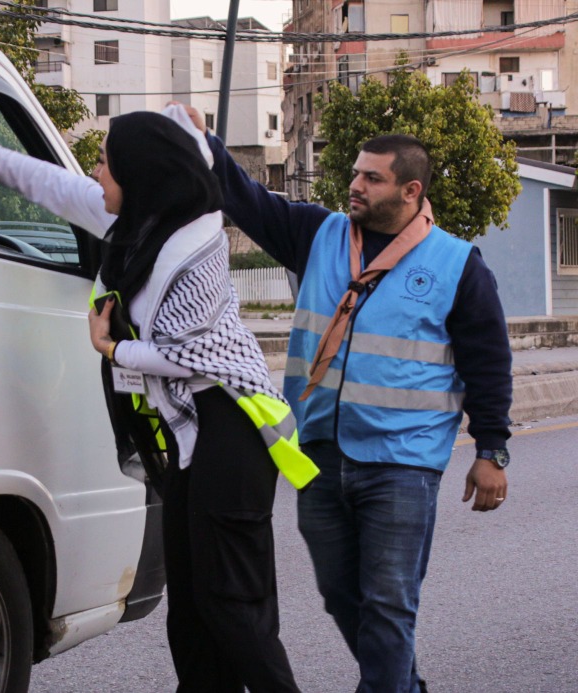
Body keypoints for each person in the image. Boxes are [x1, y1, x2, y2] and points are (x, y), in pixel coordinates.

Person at [0, 107, 318, 693]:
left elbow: (186, 355)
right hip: (191, 433)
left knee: (233, 605)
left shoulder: (193, 246)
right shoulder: (133, 222)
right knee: (192, 611)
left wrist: (112, 348)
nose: (95, 173)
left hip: (232, 426)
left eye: (105, 162)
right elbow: (45, 181)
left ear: (142, 173)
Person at [177, 104, 513, 693]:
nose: (355, 185)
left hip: (402, 462)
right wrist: (206, 142)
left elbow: (489, 364)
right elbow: (247, 197)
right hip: (320, 452)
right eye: (356, 174)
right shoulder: (319, 233)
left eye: (371, 178)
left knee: (388, 603)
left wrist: (492, 451)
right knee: (339, 595)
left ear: (410, 191)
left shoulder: (457, 265)